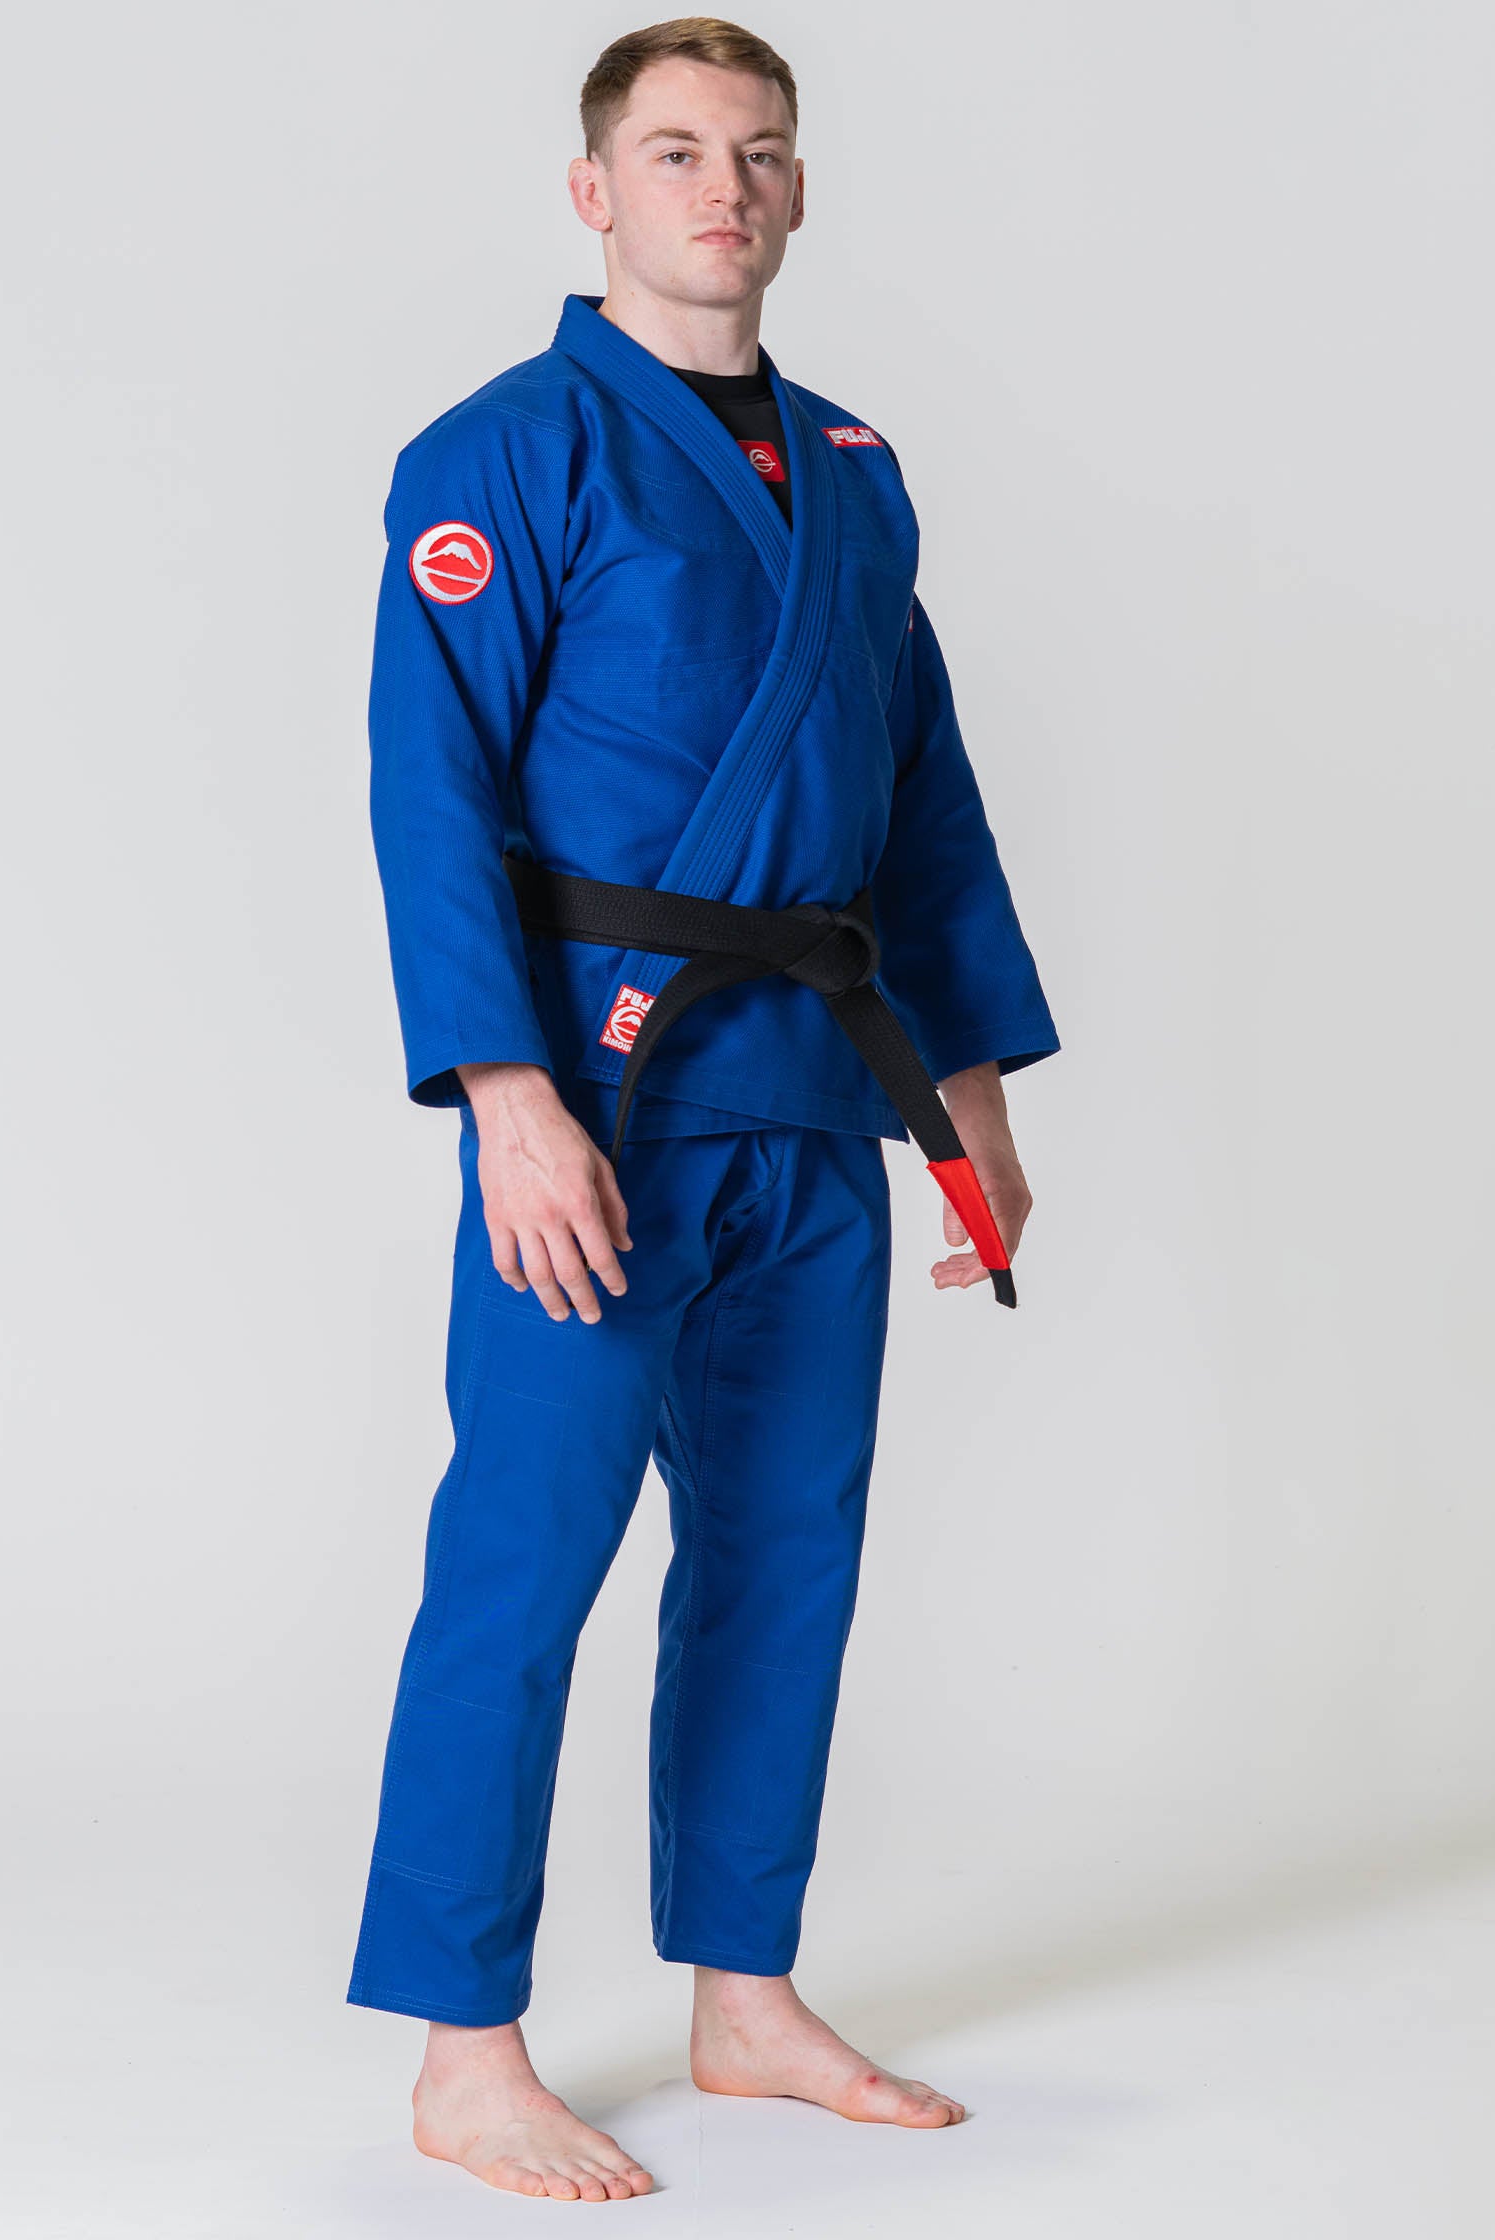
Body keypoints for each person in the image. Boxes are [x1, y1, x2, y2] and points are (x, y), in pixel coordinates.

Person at [348, 17, 1059, 2204]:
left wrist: (965, 1099)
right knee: (526, 1561)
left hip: (811, 1111)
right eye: (673, 152)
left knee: (785, 1556)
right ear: (595, 191)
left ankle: (741, 1997)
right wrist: (504, 1097)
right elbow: (432, 795)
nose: (719, 187)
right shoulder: (502, 454)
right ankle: (469, 2050)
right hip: (606, 1104)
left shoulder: (856, 470)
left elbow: (919, 803)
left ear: (800, 188)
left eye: (757, 151)